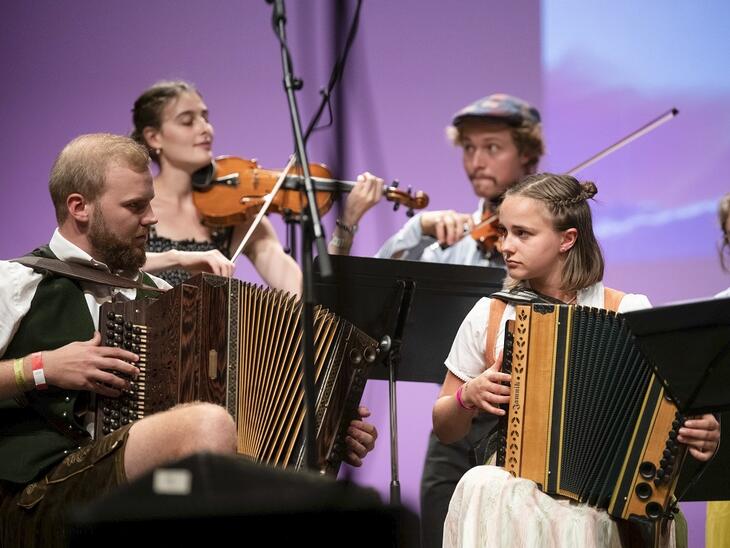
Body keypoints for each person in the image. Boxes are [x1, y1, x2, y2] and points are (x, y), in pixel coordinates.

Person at [0, 134, 377, 547]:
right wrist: (42, 368)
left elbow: (237, 407)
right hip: (37, 500)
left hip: (137, 492)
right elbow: (201, 426)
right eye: (134, 206)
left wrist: (324, 425)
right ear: (79, 207)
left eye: (150, 202)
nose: (151, 219)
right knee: (206, 424)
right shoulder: (18, 283)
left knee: (281, 482)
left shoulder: (165, 298)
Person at [433, 173, 720, 548]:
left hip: (606, 496)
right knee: (483, 485)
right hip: (510, 484)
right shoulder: (491, 313)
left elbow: (675, 415)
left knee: (581, 520)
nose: (506, 245)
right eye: (504, 232)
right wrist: (466, 396)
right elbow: (445, 428)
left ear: (567, 239)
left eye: (523, 233)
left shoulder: (628, 311)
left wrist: (703, 432)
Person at [374, 93, 545, 548]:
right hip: (456, 420)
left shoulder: (550, 240)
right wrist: (417, 230)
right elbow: (376, 293)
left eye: (492, 147)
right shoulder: (457, 241)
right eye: (468, 148)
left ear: (527, 152)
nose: (476, 161)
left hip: (532, 427)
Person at [130, 80, 382, 291]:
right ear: (154, 137)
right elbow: (101, 265)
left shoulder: (237, 213)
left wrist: (346, 225)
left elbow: (305, 295)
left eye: (205, 118)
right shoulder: (135, 205)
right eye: (187, 121)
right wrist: (177, 259)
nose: (205, 129)